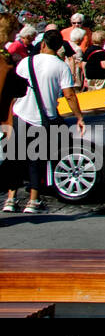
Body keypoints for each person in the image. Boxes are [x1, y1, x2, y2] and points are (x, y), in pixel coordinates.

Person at [4, 30, 87, 214]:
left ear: (42, 44)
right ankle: (33, 201)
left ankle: (10, 199)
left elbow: (12, 89)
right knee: (36, 160)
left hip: (20, 114)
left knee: (15, 159)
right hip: (43, 120)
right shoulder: (61, 67)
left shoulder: (26, 62)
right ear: (59, 47)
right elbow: (69, 95)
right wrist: (79, 117)